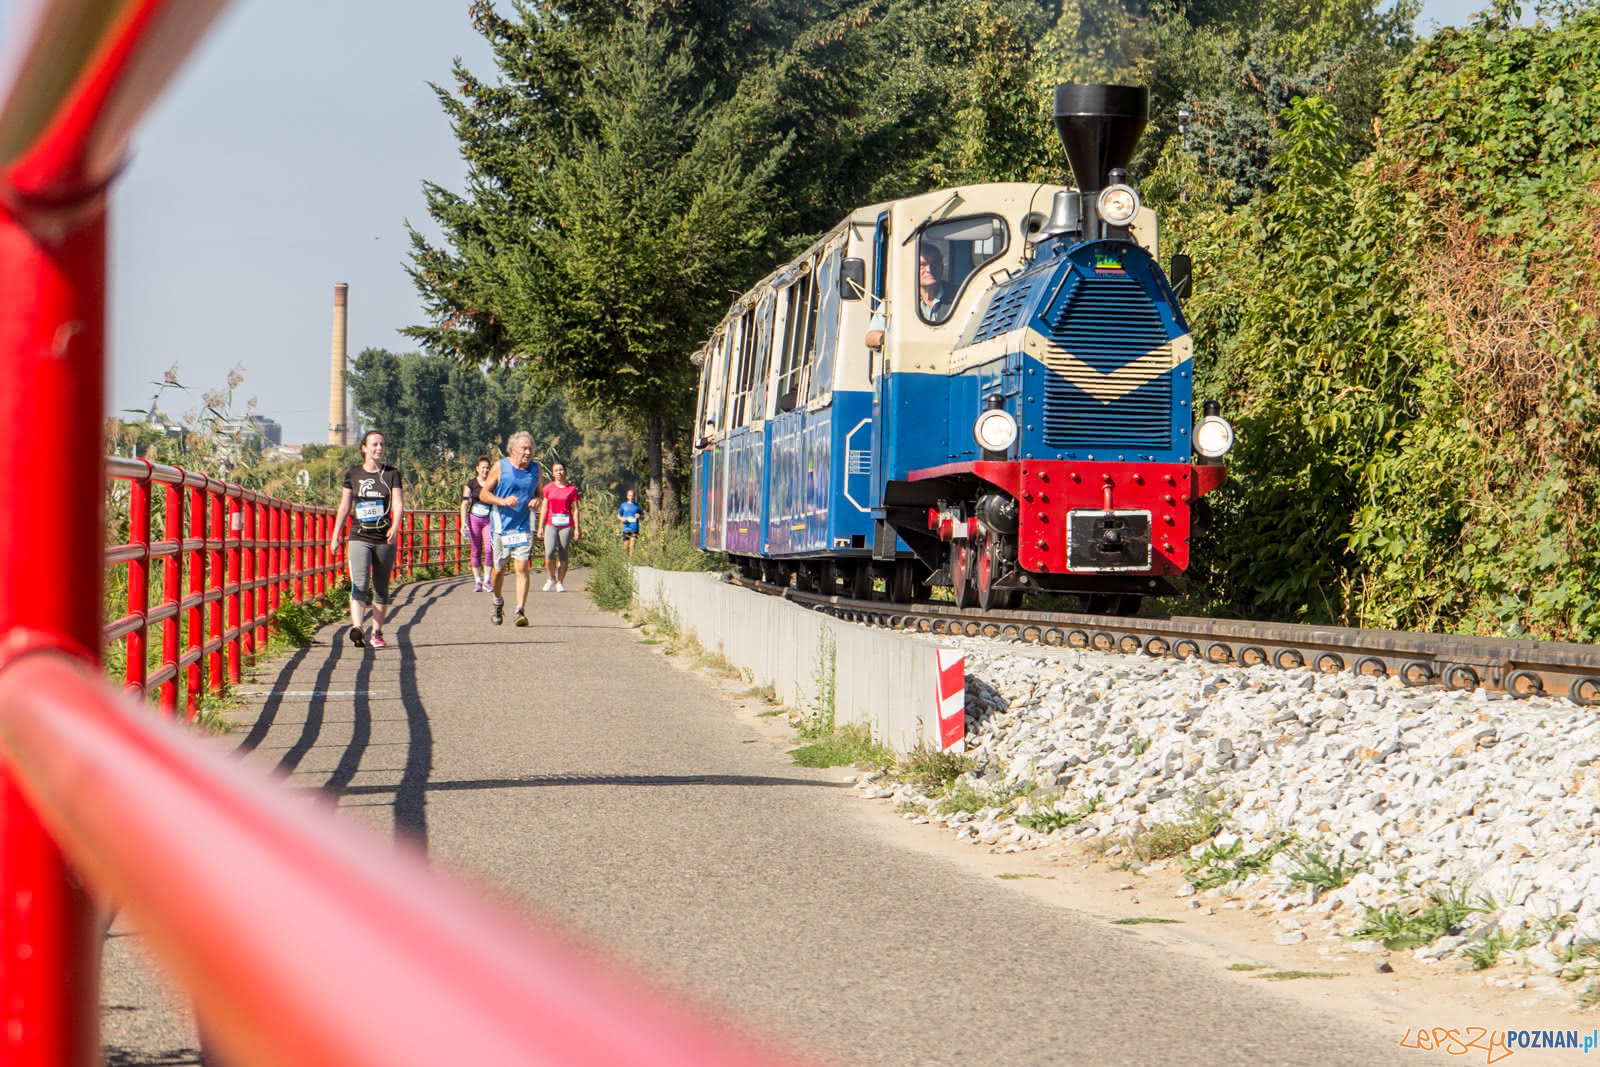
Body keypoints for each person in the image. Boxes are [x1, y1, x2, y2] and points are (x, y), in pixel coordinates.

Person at [328, 430, 403, 649]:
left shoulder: (391, 474)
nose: (379, 448)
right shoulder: (353, 474)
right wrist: (335, 536)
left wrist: (396, 526)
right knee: (359, 583)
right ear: (364, 448)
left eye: (381, 444)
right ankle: (358, 628)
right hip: (359, 536)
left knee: (381, 587)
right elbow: (344, 506)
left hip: (384, 537)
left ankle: (376, 632)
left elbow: (398, 503)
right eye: (374, 444)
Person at [479, 431, 540, 626]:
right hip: (501, 526)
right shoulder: (500, 467)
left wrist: (537, 500)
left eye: (530, 448)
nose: (528, 452)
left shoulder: (536, 469)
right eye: (524, 448)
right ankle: (497, 602)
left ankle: (519, 610)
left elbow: (540, 493)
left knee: (521, 567)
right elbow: (483, 494)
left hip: (524, 525)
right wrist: (503, 501)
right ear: (513, 449)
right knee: (498, 570)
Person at [538, 461, 580, 592]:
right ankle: (551, 578)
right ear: (553, 473)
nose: (559, 472)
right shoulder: (548, 488)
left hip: (566, 525)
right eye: (556, 470)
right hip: (551, 524)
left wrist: (577, 528)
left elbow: (575, 510)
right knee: (549, 552)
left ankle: (560, 582)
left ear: (565, 471)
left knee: (563, 554)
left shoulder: (571, 489)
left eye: (561, 470)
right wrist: (540, 527)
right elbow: (544, 508)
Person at [460, 455, 495, 591]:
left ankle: (487, 580)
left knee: (489, 548)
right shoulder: (471, 484)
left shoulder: (493, 483)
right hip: (474, 519)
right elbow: (464, 503)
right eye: (483, 468)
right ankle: (478, 581)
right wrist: (464, 522)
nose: (485, 470)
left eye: (487, 468)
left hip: (488, 520)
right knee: (475, 550)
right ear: (477, 469)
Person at [918, 243, 955, 323]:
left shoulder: (958, 296)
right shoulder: (901, 299)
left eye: (935, 263)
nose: (929, 269)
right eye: (922, 265)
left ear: (942, 266)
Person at [616, 488, 643, 556]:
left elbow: (643, 517)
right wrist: (622, 519)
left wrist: (639, 516)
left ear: (635, 496)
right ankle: (626, 560)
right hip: (626, 528)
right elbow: (618, 515)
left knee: (633, 545)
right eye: (630, 495)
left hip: (635, 528)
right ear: (627, 496)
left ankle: (631, 561)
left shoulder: (638, 506)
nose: (632, 497)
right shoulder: (623, 505)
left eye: (633, 495)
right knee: (626, 546)